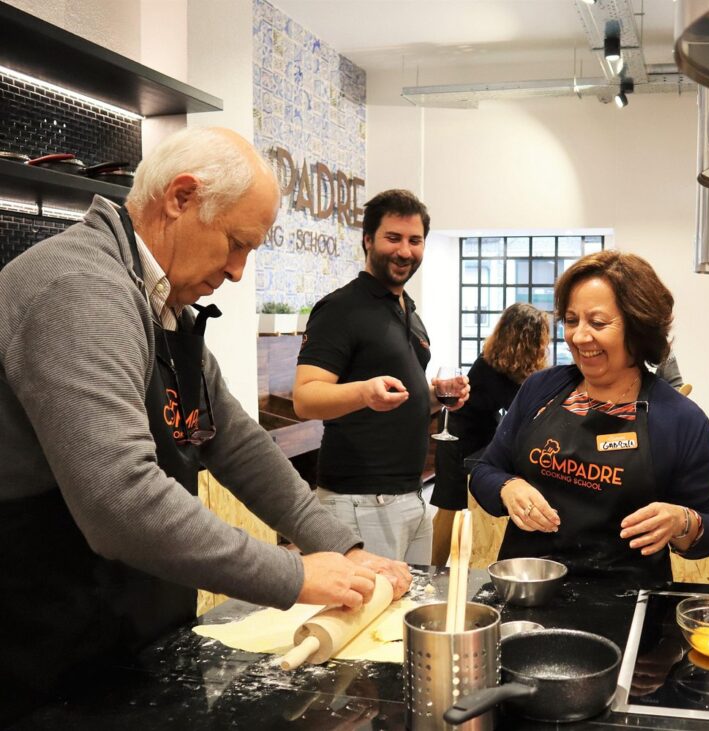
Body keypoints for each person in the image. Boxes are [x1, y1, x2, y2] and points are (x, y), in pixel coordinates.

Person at [0, 127, 411, 720]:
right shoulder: (81, 289)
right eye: (236, 244)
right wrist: (292, 574)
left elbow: (237, 442)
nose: (240, 272)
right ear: (181, 197)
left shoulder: (161, 305)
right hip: (46, 638)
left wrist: (339, 547)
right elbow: (121, 503)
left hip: (124, 622)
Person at [470, 250, 709, 584]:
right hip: (527, 590)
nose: (579, 337)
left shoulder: (679, 419)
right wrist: (508, 486)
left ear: (637, 327)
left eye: (597, 322)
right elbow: (485, 470)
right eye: (571, 320)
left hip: (626, 602)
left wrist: (682, 521)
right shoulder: (541, 388)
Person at [293, 189, 469, 566]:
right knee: (372, 620)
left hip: (410, 494)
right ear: (368, 240)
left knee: (408, 612)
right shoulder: (341, 308)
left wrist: (438, 395)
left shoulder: (408, 310)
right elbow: (305, 398)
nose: (405, 251)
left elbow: (403, 396)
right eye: (393, 238)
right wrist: (364, 392)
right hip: (359, 501)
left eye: (415, 240)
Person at [430, 303, 550, 565]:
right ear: (527, 338)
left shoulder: (504, 364)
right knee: (449, 505)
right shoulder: (490, 367)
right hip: (459, 436)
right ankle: (435, 569)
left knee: (465, 505)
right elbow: (520, 408)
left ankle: (451, 564)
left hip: (481, 432)